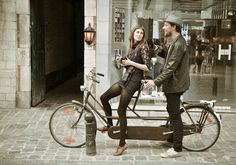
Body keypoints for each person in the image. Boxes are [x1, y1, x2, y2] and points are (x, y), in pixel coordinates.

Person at [98, 25, 151, 156]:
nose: (139, 35)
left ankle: (122, 144)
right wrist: (122, 63)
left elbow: (147, 67)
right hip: (126, 79)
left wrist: (131, 63)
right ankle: (110, 125)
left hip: (134, 81)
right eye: (137, 32)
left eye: (141, 33)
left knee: (121, 110)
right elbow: (127, 64)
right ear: (133, 34)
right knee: (104, 97)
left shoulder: (143, 46)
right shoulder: (132, 47)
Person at [144, 14, 190, 158]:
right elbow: (172, 60)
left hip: (175, 84)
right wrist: (162, 52)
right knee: (171, 111)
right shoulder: (175, 41)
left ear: (173, 27)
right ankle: (171, 138)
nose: (163, 27)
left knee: (175, 115)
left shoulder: (178, 44)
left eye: (165, 25)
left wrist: (154, 82)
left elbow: (170, 69)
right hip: (174, 83)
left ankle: (177, 148)